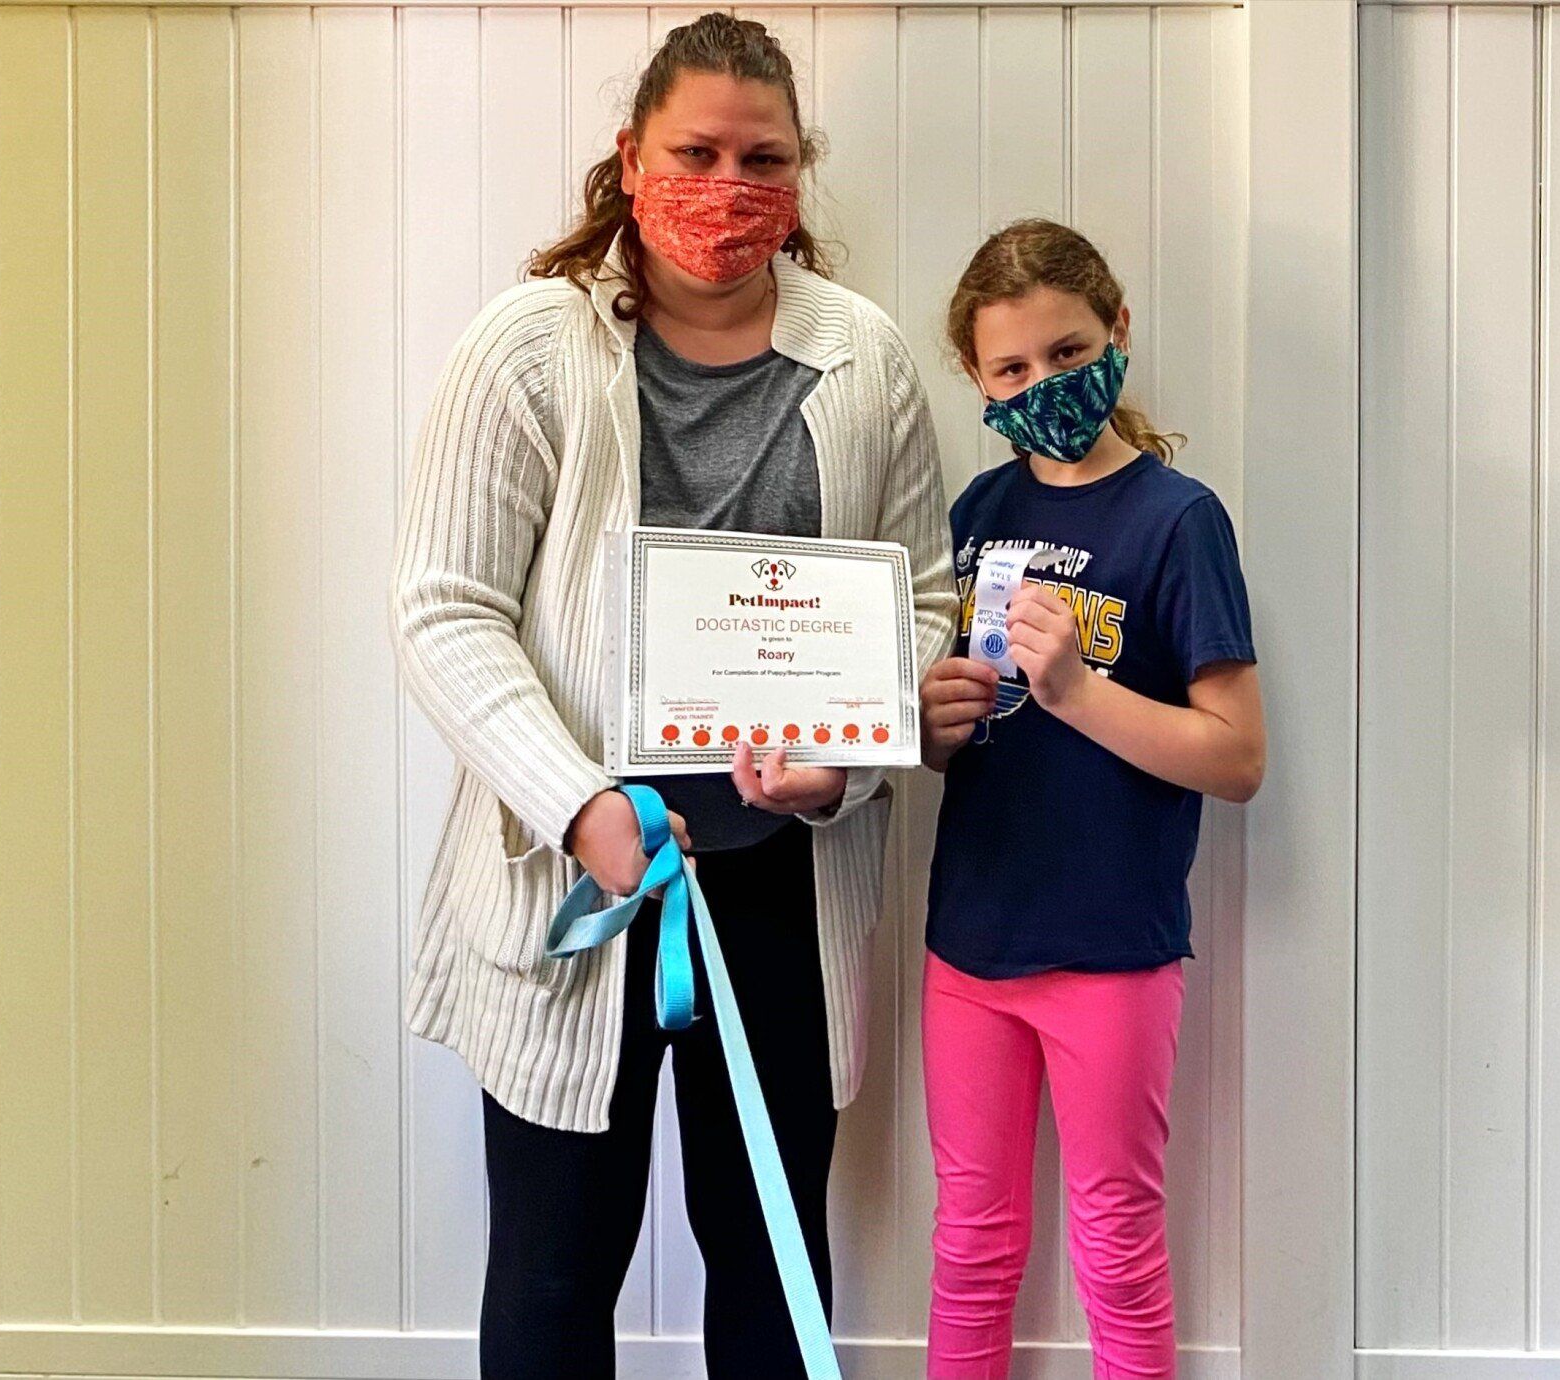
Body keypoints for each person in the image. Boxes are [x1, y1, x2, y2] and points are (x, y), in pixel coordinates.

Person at [388, 13, 955, 1379]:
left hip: (783, 879)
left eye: (761, 157)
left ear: (801, 175)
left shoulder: (867, 362)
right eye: (694, 151)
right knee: (552, 1266)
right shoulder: (528, 350)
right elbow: (441, 605)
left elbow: (922, 603)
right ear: (631, 158)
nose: (727, 183)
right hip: (575, 884)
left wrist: (849, 761)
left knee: (771, 1256)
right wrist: (578, 802)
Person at [915, 219, 1266, 1380]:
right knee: (970, 1245)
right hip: (971, 941)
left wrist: (1076, 689)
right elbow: (939, 724)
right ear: (977, 380)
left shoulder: (1178, 520)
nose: (1043, 386)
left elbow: (1237, 756)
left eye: (1068, 354)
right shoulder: (971, 514)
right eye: (1012, 369)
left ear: (1118, 332)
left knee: (1117, 1247)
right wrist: (926, 725)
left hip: (1113, 949)